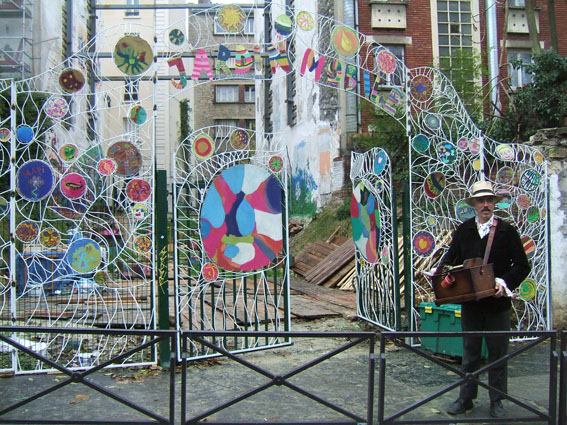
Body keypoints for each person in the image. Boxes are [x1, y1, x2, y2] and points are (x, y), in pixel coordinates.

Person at [439, 180, 531, 418]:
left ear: (494, 203)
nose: (486, 205)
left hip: (497, 305)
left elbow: (522, 265)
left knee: (497, 353)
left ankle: (497, 400)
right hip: (471, 304)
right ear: (474, 205)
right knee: (470, 353)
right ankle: (466, 398)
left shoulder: (507, 231)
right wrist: (443, 273)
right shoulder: (464, 230)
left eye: (489, 200)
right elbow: (450, 259)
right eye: (481, 201)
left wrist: (504, 282)